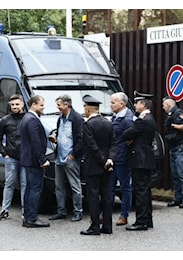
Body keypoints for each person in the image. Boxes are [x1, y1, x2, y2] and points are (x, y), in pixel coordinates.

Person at [80, 94, 115, 235]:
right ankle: (107, 226)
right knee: (106, 196)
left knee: (93, 196)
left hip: (93, 166)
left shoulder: (88, 125)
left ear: (88, 109)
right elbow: (113, 143)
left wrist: (102, 159)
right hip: (107, 166)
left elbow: (91, 145)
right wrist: (110, 159)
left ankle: (94, 226)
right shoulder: (108, 122)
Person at [123, 94, 156, 231]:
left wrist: (128, 137)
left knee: (140, 191)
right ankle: (147, 219)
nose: (135, 106)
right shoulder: (150, 118)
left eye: (137, 103)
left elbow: (127, 134)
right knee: (146, 190)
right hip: (146, 159)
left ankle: (141, 221)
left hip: (140, 159)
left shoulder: (142, 120)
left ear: (143, 104)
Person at [48, 95, 84, 222]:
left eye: (59, 105)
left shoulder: (77, 119)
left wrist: (73, 155)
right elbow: (62, 136)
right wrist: (55, 139)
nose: (58, 108)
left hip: (70, 158)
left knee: (75, 186)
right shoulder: (60, 119)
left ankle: (78, 211)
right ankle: (61, 211)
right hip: (59, 157)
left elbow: (81, 139)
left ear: (67, 104)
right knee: (59, 186)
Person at [20, 95, 50, 228]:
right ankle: (32, 218)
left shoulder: (27, 118)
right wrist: (42, 160)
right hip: (34, 161)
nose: (43, 108)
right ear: (33, 105)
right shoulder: (32, 120)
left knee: (29, 188)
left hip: (28, 159)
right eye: (41, 105)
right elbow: (35, 141)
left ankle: (27, 217)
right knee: (35, 189)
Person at [0, 94, 26, 221]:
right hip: (11, 157)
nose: (14, 107)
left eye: (17, 104)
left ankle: (26, 211)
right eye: (12, 105)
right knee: (9, 184)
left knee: (25, 185)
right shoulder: (5, 120)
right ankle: (5, 210)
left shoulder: (27, 119)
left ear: (22, 105)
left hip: (25, 157)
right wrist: (4, 154)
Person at [162, 96, 183, 209]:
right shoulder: (171, 114)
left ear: (169, 105)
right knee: (175, 175)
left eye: (164, 105)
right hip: (173, 146)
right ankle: (177, 198)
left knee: (182, 173)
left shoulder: (178, 112)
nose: (163, 107)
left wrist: (174, 125)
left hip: (181, 147)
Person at [108, 92, 134, 226]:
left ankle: (124, 215)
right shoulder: (115, 117)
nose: (110, 105)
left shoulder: (127, 119)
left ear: (122, 104)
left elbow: (129, 139)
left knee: (125, 187)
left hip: (122, 159)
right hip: (113, 157)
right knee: (109, 187)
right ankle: (105, 214)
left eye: (113, 103)